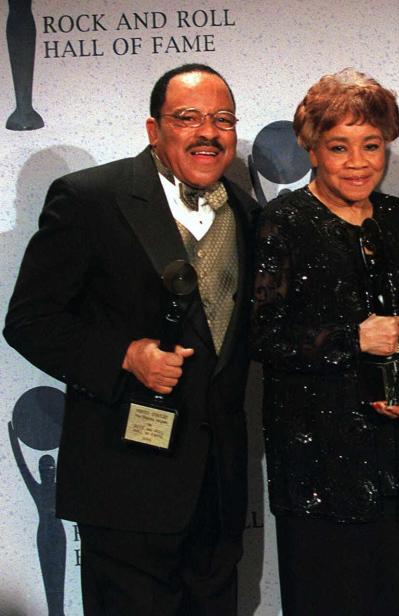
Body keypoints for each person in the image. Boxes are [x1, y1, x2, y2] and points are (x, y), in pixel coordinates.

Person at [4, 63, 256, 614]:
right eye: (187, 118)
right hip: (125, 485)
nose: (207, 132)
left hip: (217, 492)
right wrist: (125, 355)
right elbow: (29, 320)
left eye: (222, 119)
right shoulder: (91, 198)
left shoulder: (247, 211)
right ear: (153, 129)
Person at [250, 69, 399, 616]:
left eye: (371, 145)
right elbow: (263, 338)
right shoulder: (282, 223)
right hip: (317, 461)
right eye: (339, 147)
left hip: (393, 453)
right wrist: (353, 339)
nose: (358, 162)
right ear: (311, 148)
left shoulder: (397, 218)